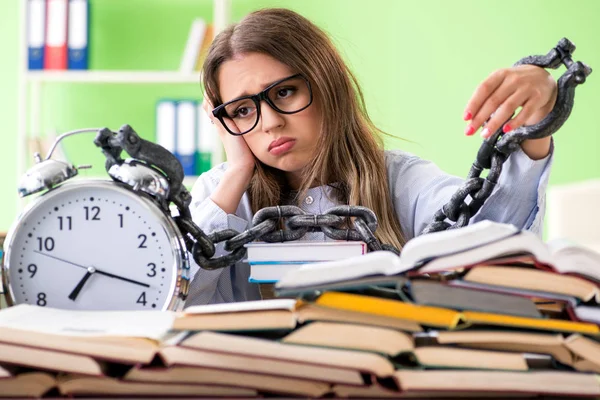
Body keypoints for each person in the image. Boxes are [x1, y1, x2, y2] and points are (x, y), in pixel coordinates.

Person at [185, 8, 557, 305]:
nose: (269, 123)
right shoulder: (221, 197)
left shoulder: (400, 180)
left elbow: (496, 241)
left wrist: (536, 126)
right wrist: (236, 172)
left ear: (327, 83)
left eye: (284, 93)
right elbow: (173, 299)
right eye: (242, 110)